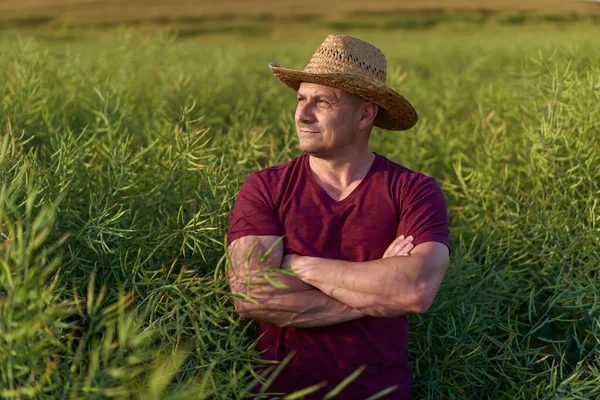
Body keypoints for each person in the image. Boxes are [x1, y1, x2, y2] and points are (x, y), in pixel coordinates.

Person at [227, 35, 450, 399]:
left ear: (365, 114)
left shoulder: (414, 190)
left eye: (322, 102)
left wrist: (300, 267)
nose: (302, 113)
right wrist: (375, 292)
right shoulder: (265, 187)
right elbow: (251, 296)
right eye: (301, 99)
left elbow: (415, 290)